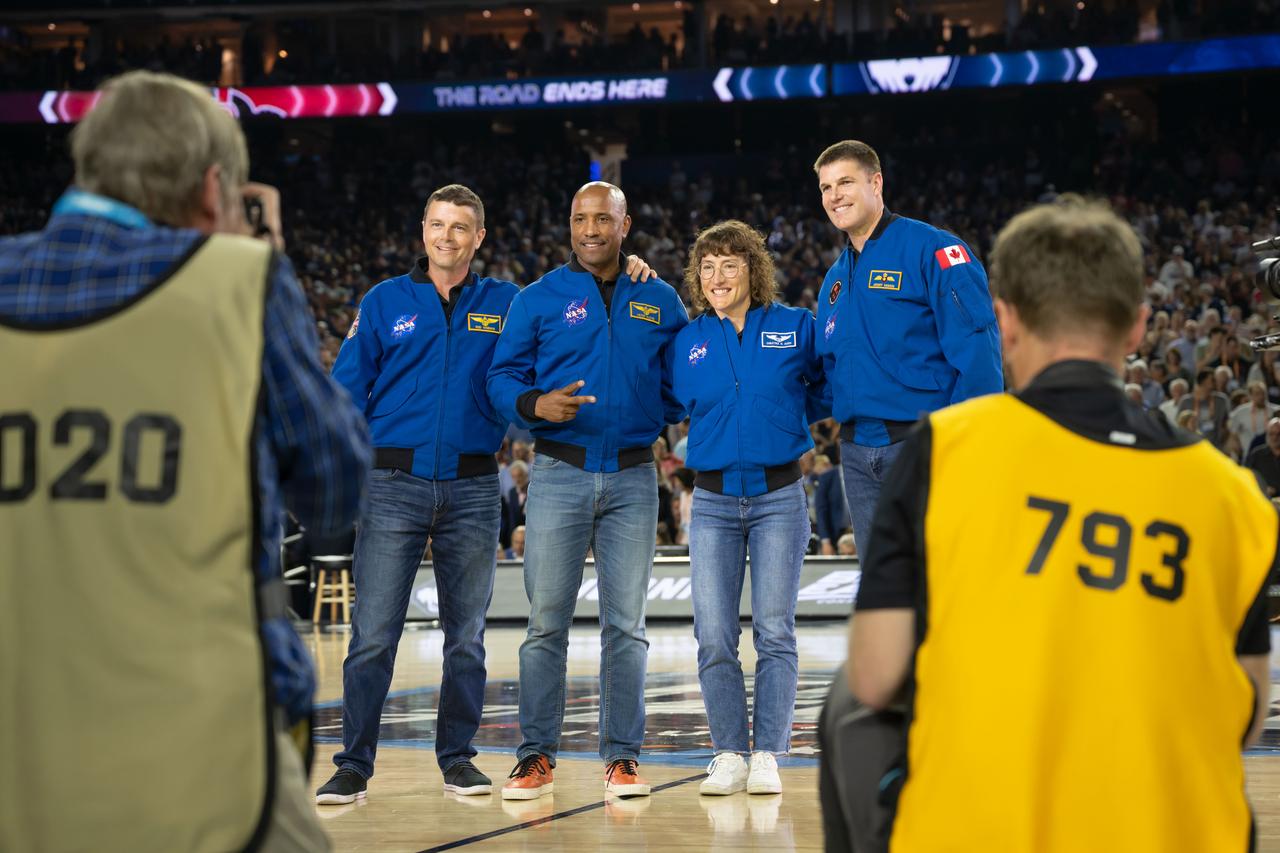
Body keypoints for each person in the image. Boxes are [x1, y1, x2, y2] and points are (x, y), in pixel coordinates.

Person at [819, 199, 1273, 852]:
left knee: (848, 699)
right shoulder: (1235, 496)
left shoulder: (943, 451)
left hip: (985, 830)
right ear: (1138, 327)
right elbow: (1248, 718)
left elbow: (876, 675)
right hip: (1176, 831)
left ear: (1005, 323)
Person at [0, 70, 371, 851]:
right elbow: (336, 487)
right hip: (207, 745)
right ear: (212, 189)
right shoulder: (239, 282)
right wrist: (260, 254)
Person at [318, 184, 519, 803]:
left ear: (478, 237)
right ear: (423, 230)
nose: (446, 237)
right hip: (391, 485)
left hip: (474, 484)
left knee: (467, 638)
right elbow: (345, 390)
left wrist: (631, 264)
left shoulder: (507, 302)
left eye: (459, 227)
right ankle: (353, 764)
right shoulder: (384, 300)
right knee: (373, 636)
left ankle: (458, 758)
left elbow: (571, 306)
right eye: (437, 224)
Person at [487, 181, 688, 800]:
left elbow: (684, 376)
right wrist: (534, 404)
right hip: (558, 472)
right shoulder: (538, 297)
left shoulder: (659, 297)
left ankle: (622, 757)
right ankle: (535, 755)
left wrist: (653, 410)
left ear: (625, 225)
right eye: (580, 219)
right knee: (546, 624)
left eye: (603, 219)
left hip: (633, 475)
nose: (591, 229)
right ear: (570, 225)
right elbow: (501, 376)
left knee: (626, 627)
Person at [666, 220, 829, 796]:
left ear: (752, 270)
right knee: (713, 634)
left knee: (775, 631)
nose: (717, 277)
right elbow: (670, 402)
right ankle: (729, 752)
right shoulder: (686, 341)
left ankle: (768, 754)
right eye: (707, 267)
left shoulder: (796, 326)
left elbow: (826, 387)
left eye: (729, 265)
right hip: (711, 502)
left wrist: (785, 419)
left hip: (780, 498)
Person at [812, 140, 1002, 558]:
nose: (834, 196)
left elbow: (978, 357)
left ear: (876, 183)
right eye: (826, 187)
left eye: (845, 182)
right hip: (857, 456)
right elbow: (830, 375)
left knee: (943, 578)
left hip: (923, 446)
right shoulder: (834, 281)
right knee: (884, 586)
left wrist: (968, 443)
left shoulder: (934, 250)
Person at [1247, 418, 1280, 496]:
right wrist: (1262, 489)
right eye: (1271, 434)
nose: (1275, 438)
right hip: (1263, 499)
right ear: (1266, 434)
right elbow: (1246, 477)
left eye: (1279, 434)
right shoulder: (1257, 455)